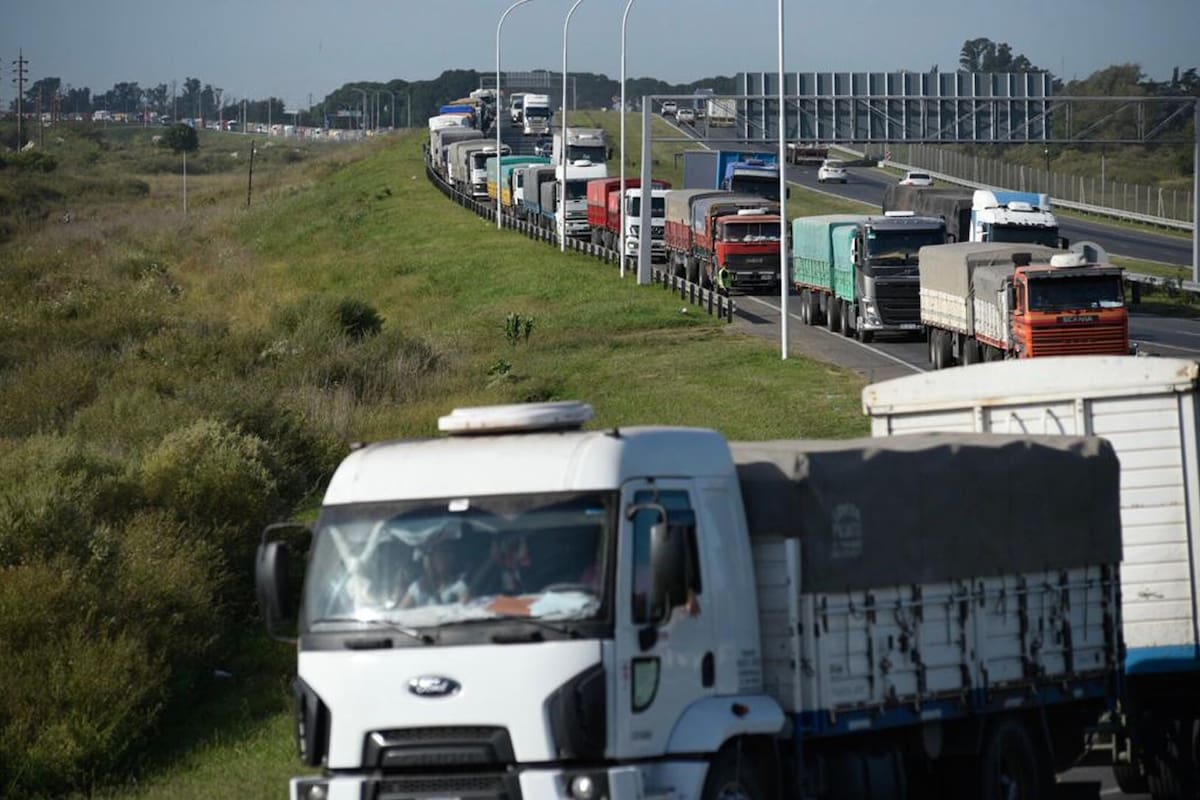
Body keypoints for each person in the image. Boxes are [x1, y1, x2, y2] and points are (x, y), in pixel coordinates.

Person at [399, 525, 470, 609]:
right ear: (431, 559)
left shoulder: (458, 586)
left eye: (450, 554)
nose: (448, 558)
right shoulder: (417, 587)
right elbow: (400, 613)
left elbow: (465, 611)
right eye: (443, 553)